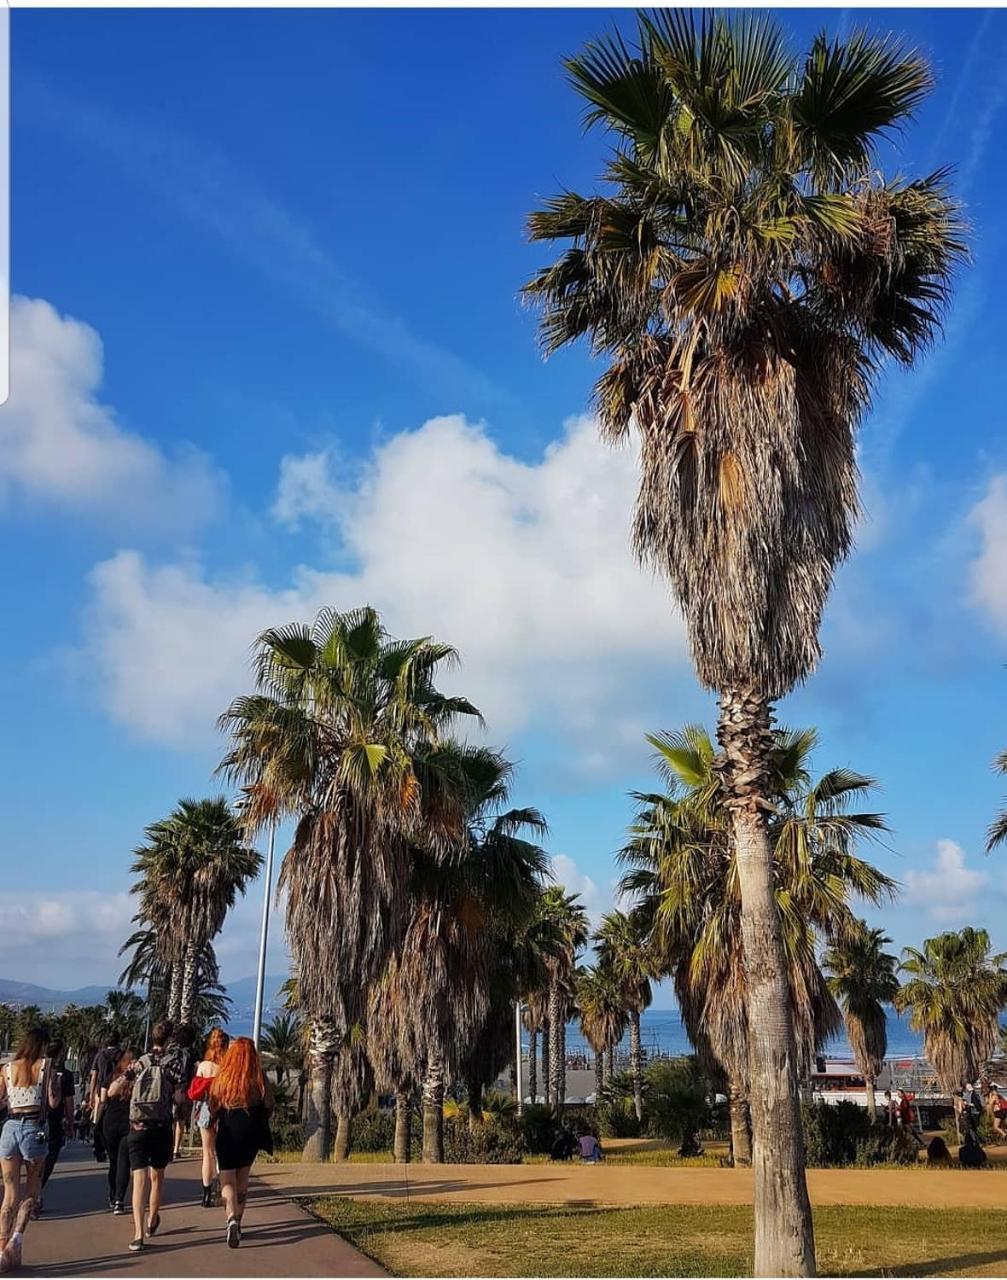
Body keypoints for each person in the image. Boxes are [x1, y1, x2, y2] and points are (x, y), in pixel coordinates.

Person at [0, 1028, 62, 1269]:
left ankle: (2, 1250)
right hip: (33, 1130)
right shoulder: (46, 1066)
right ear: (43, 1045)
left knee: (9, 1195)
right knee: (31, 1192)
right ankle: (16, 1241)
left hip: (10, 1129)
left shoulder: (7, 1068)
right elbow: (52, 1102)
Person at [208, 1038, 273, 1249]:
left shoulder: (223, 1076)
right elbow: (270, 1103)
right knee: (242, 1177)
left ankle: (231, 1219)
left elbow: (213, 1105)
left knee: (227, 1178)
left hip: (228, 1126)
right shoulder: (258, 1077)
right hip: (252, 1128)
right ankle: (239, 1221)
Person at [125, 1020, 180, 1253]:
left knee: (138, 1181)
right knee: (157, 1177)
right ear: (169, 1040)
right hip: (161, 1127)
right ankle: (152, 1220)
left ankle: (138, 1235)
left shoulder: (140, 1062)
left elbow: (123, 1084)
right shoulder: (173, 1064)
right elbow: (179, 1097)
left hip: (137, 1127)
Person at [190, 1029, 229, 1208]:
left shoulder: (204, 1066)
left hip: (205, 1110)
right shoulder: (227, 1066)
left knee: (207, 1153)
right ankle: (223, 1189)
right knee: (222, 1153)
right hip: (223, 1110)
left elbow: (195, 1091)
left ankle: (206, 1194)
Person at [36, 1041, 75, 1216]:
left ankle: (33, 1195)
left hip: (33, 1119)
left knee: (34, 1160)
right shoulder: (65, 1075)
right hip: (54, 1121)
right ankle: (35, 1194)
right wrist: (70, 1122)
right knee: (49, 1158)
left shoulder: (36, 1069)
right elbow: (68, 1102)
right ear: (60, 1053)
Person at [102, 1048, 136, 1214]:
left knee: (119, 1162)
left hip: (119, 1123)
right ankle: (117, 1198)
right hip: (116, 1123)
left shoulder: (123, 1078)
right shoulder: (119, 1078)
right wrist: (127, 1076)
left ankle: (116, 1197)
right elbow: (110, 1092)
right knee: (118, 1162)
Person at [167, 1025, 197, 1160]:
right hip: (186, 1090)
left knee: (170, 1119)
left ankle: (168, 1145)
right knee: (181, 1120)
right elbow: (196, 1070)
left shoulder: (171, 1050)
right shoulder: (192, 1053)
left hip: (171, 1089)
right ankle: (176, 1149)